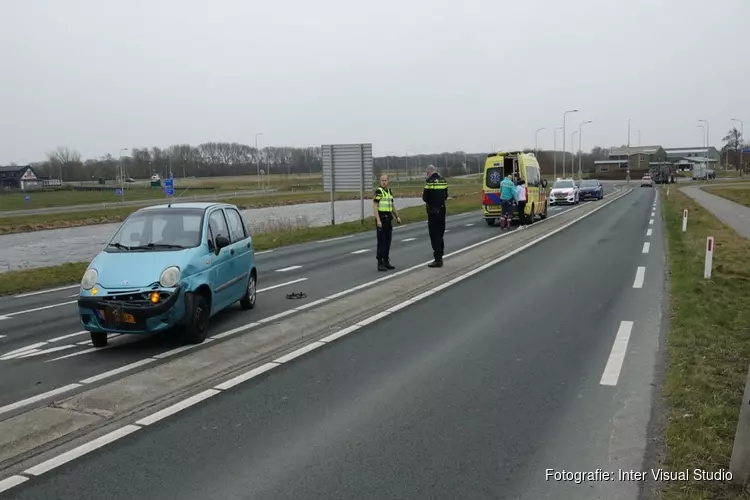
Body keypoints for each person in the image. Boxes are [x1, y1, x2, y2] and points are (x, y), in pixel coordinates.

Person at [422, 165, 448, 268]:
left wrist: (432, 202)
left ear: (429, 172)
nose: (427, 174)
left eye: (427, 173)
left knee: (434, 235)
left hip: (433, 212)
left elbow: (425, 197)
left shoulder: (429, 182)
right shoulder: (443, 181)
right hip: (442, 211)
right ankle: (440, 255)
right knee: (441, 234)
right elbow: (445, 195)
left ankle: (437, 259)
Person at [373, 174, 401, 271]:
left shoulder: (389, 191)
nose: (384, 182)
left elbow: (392, 205)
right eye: (382, 180)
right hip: (381, 218)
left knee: (388, 241)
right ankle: (379, 262)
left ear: (388, 181)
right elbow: (375, 206)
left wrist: (397, 216)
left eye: (385, 180)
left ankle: (386, 260)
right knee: (381, 242)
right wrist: (378, 220)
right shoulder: (379, 191)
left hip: (388, 218)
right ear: (380, 182)